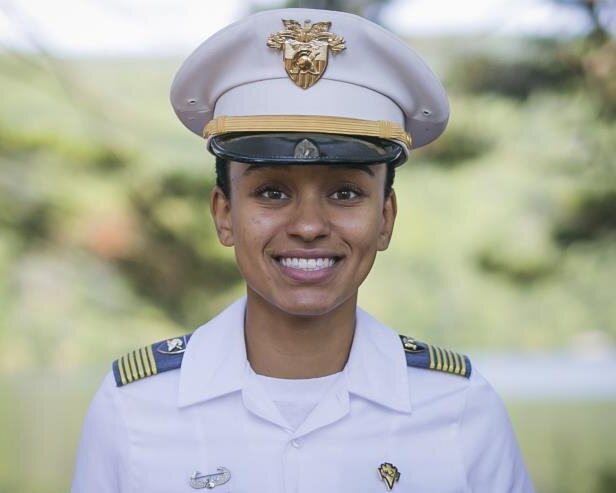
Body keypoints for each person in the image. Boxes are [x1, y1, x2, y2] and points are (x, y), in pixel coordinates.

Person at [71, 8, 534, 493]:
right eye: (272, 192)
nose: (309, 226)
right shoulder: (136, 409)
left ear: (385, 218)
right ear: (224, 215)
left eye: (345, 193)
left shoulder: (459, 409)